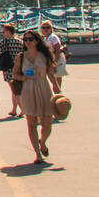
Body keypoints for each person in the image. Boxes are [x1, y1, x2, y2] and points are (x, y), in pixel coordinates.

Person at [13, 29, 61, 163]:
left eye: (30, 39)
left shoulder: (45, 55)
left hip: (43, 88)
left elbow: (51, 74)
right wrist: (24, 78)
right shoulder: (21, 57)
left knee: (47, 122)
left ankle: (43, 142)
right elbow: (14, 74)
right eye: (25, 40)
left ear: (37, 40)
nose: (27, 42)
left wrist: (56, 87)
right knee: (31, 123)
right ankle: (37, 154)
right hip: (28, 90)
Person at [0, 25, 25, 117]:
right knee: (16, 89)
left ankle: (22, 109)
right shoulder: (20, 42)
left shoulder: (3, 42)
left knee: (14, 90)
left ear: (9, 32)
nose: (3, 34)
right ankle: (14, 109)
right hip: (19, 67)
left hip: (8, 67)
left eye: (4, 32)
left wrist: (2, 53)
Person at [40, 20, 68, 90]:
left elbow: (58, 50)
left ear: (51, 29)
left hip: (56, 58)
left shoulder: (53, 37)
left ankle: (57, 90)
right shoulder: (45, 38)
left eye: (48, 27)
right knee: (51, 75)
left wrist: (55, 62)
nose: (46, 29)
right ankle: (56, 89)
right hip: (49, 58)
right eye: (44, 28)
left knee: (57, 75)